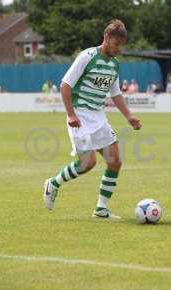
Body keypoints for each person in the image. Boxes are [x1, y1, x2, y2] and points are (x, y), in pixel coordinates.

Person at [43, 19, 142, 219]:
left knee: (115, 161)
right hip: (79, 115)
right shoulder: (87, 56)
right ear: (106, 38)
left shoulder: (114, 65)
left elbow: (116, 95)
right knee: (87, 164)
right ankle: (53, 184)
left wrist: (129, 116)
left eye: (121, 45)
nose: (118, 49)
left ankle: (101, 209)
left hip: (98, 116)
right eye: (116, 44)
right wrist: (70, 114)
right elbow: (65, 85)